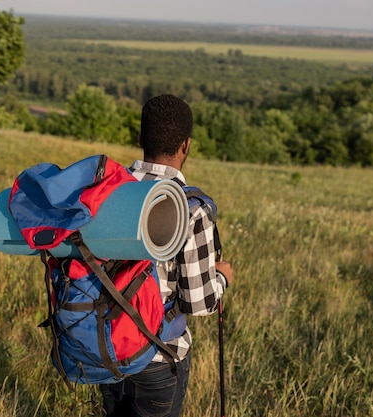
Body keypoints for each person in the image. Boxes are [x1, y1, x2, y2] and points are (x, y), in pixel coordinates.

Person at [99, 94, 233, 417]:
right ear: (186, 145)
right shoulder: (192, 209)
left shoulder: (107, 192)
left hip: (106, 348)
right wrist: (223, 278)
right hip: (160, 357)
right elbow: (199, 302)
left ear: (140, 138)